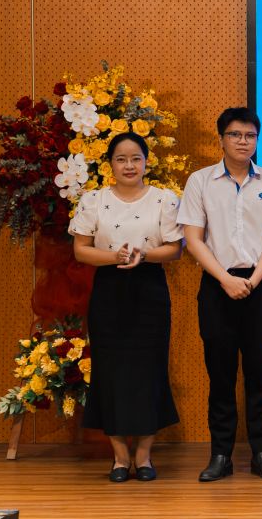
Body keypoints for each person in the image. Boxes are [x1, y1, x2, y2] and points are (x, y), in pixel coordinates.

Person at [177, 107, 262, 482]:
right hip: (216, 285)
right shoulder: (200, 181)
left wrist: (253, 280)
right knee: (220, 376)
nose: (243, 141)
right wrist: (225, 278)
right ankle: (220, 455)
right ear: (221, 138)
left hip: (259, 285)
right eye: (235, 135)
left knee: (259, 376)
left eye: (250, 135)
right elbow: (193, 238)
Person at [69, 131, 183, 481]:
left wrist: (143, 254)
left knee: (150, 371)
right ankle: (120, 458)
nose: (129, 165)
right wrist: (114, 256)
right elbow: (80, 250)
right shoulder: (93, 200)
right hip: (109, 290)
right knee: (111, 373)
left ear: (147, 162)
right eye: (121, 159)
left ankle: (144, 458)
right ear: (110, 165)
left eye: (136, 158)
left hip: (150, 290)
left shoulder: (164, 199)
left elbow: (175, 249)